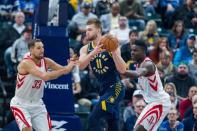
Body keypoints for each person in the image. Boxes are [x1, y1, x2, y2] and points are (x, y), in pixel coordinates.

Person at [10, 39, 78, 131]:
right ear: (31, 50)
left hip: (37, 104)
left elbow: (65, 70)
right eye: (38, 48)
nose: (42, 50)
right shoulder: (26, 63)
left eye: (43, 47)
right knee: (27, 129)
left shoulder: (46, 61)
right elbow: (45, 76)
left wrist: (72, 64)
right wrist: (64, 70)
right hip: (21, 104)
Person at [79, 18, 126, 131]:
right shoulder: (85, 49)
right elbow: (81, 66)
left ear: (99, 30)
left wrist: (114, 53)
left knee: (93, 118)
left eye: (90, 30)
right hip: (103, 90)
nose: (87, 32)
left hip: (116, 88)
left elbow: (123, 70)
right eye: (86, 30)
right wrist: (93, 52)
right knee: (112, 122)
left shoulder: (111, 44)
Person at [124, 40, 171, 131]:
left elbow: (137, 73)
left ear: (144, 52)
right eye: (131, 50)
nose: (132, 53)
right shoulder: (138, 64)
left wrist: (122, 71)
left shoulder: (148, 64)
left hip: (160, 102)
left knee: (139, 130)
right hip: (151, 103)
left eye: (135, 50)